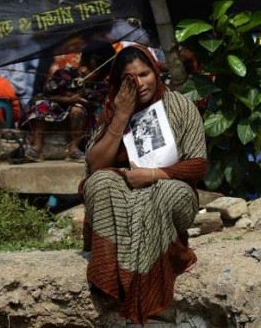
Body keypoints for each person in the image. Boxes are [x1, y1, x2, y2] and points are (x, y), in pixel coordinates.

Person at [81, 45, 207, 324]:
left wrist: (151, 176)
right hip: (125, 190)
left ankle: (149, 291)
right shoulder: (113, 110)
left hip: (172, 189)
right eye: (130, 78)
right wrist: (122, 116)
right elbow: (95, 166)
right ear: (119, 82)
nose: (139, 83)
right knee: (101, 182)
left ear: (156, 72)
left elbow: (197, 165)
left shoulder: (180, 106)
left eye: (144, 74)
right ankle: (111, 282)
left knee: (158, 195)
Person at [23, 40, 115, 162]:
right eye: (83, 63)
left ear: (103, 73)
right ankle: (37, 146)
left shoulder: (100, 86)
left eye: (91, 69)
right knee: (40, 104)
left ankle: (74, 149)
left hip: (81, 120)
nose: (83, 70)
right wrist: (68, 99)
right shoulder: (65, 73)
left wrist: (74, 100)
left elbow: (90, 104)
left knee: (78, 109)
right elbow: (48, 93)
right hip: (54, 110)